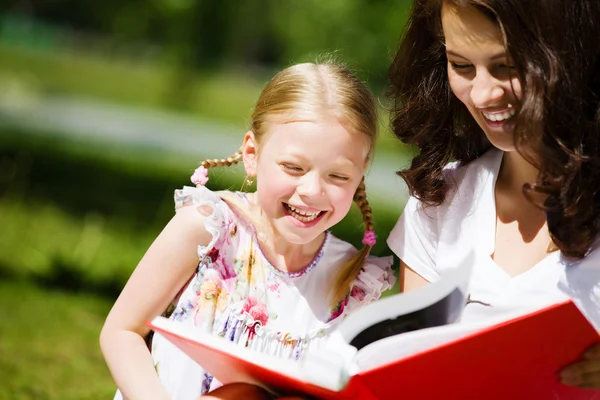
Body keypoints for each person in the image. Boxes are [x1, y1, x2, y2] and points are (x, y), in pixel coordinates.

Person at [99, 60, 395, 400]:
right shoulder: (209, 230)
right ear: (252, 154)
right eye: (293, 167)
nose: (313, 190)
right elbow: (122, 331)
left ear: (362, 172)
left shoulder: (352, 280)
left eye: (338, 176)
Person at [386, 0, 600, 390]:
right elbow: (411, 376)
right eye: (462, 66)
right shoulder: (437, 202)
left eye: (507, 66)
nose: (483, 94)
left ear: (572, 57)